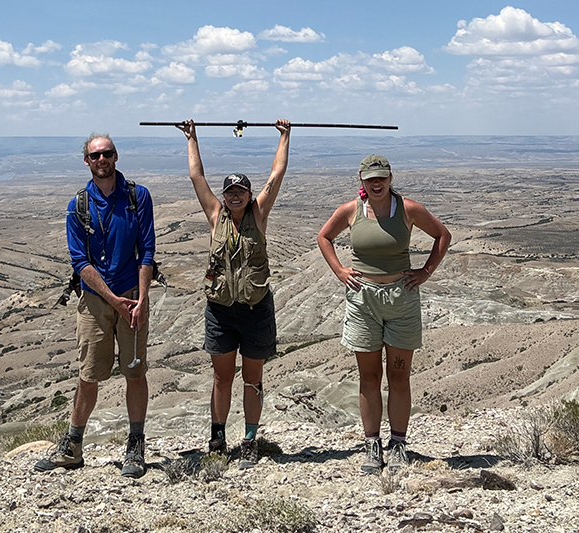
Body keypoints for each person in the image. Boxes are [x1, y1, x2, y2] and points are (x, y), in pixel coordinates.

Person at [317, 154, 451, 473]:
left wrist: (426, 272)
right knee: (369, 377)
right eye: (370, 179)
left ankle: (399, 444)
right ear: (361, 180)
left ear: (391, 178)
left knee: (399, 375)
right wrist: (339, 271)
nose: (376, 184)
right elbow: (324, 237)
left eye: (381, 178)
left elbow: (442, 236)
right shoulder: (351, 211)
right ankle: (372, 445)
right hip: (364, 300)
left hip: (400, 297)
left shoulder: (407, 209)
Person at [34, 133, 156, 478]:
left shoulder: (137, 196)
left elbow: (147, 249)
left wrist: (141, 299)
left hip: (133, 297)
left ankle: (135, 447)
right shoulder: (79, 204)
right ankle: (73, 447)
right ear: (86, 161)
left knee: (135, 372)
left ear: (116, 157)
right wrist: (113, 300)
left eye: (107, 153)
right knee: (88, 376)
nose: (102, 159)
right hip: (95, 301)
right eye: (95, 155)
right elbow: (79, 261)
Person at [176, 119, 291, 470]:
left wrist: (285, 136)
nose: (236, 195)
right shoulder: (215, 214)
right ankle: (218, 438)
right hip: (221, 310)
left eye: (241, 190)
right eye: (230, 191)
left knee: (253, 378)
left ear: (248, 193)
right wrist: (192, 138)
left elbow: (277, 174)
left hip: (256, 308)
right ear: (224, 196)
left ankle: (250, 440)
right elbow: (197, 177)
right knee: (222, 377)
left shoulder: (259, 213)